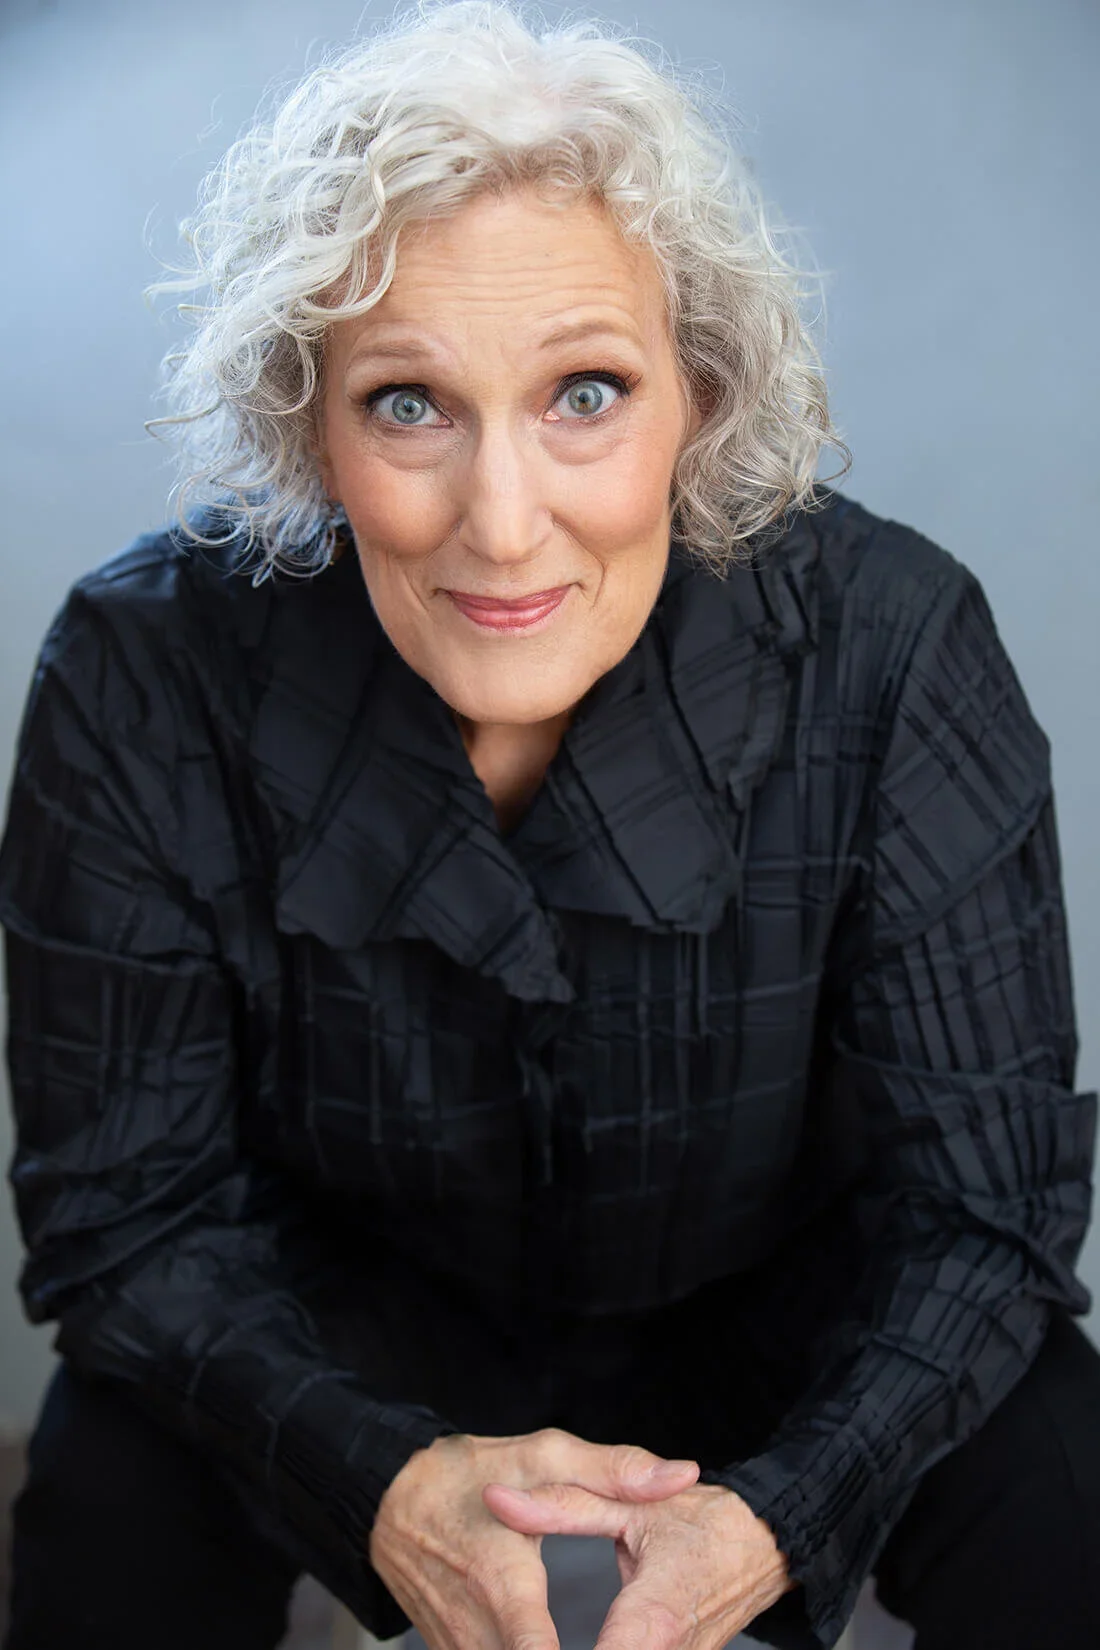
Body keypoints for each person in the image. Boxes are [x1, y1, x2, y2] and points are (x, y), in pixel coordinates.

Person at [1, 3, 1097, 1648]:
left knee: (1065, 1478)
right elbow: (126, 1216)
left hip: (777, 1316)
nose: (504, 528)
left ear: (699, 399)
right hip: (345, 1323)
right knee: (108, 1490)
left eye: (586, 392)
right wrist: (383, 1481)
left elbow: (988, 1213)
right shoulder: (139, 666)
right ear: (312, 425)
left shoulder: (896, 644)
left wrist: (764, 1524)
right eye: (409, 405)